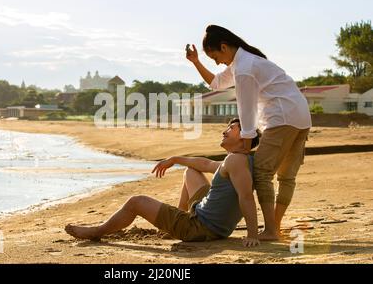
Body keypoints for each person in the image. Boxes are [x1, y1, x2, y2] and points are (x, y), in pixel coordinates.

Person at [186, 24, 311, 240]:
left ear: (224, 47)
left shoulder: (244, 66)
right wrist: (196, 62)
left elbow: (246, 106)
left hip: (281, 118)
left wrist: (247, 138)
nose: (217, 62)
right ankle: (275, 228)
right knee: (287, 177)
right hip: (300, 117)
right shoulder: (244, 62)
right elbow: (216, 83)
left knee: (262, 173)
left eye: (215, 57)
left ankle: (271, 230)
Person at [65, 118, 261, 247]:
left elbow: (246, 197)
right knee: (191, 171)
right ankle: (178, 218)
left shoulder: (236, 161)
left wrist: (252, 234)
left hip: (200, 228)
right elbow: (205, 163)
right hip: (211, 221)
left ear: (244, 137)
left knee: (136, 202)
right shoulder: (239, 160)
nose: (225, 131)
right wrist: (174, 159)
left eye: (231, 128)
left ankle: (97, 232)